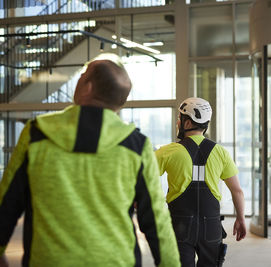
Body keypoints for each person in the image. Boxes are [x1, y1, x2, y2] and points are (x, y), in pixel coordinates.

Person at [0, 54, 180, 267]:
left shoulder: (37, 134)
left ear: (88, 88)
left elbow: (7, 202)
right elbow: (156, 220)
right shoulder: (136, 146)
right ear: (120, 101)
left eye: (82, 75)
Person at [155, 97, 246, 267]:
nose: (177, 123)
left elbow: (143, 179)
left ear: (187, 123)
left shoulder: (168, 152)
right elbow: (237, 191)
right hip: (211, 226)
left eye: (179, 119)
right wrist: (241, 218)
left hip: (179, 226)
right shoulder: (221, 153)